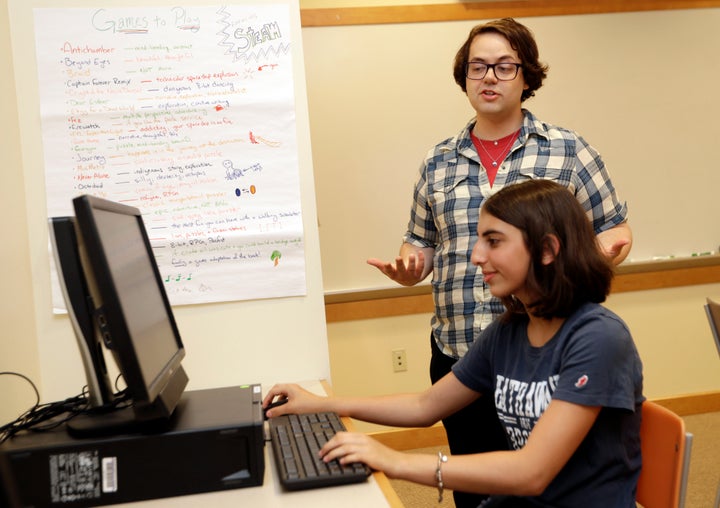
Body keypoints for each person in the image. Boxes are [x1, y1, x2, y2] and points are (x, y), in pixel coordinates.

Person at [366, 17, 632, 507]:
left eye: (504, 67)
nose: (489, 77)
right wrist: (410, 265)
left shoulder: (568, 151)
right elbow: (420, 243)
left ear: (527, 76)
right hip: (461, 350)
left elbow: (614, 227)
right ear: (464, 77)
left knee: (556, 484)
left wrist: (588, 257)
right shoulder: (438, 160)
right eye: (478, 67)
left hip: (545, 351)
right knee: (473, 488)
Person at [265, 179, 644, 508]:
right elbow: (425, 405)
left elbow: (532, 472)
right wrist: (321, 405)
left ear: (547, 249)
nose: (477, 256)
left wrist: (394, 460)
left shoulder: (598, 338)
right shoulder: (510, 330)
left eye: (493, 241)